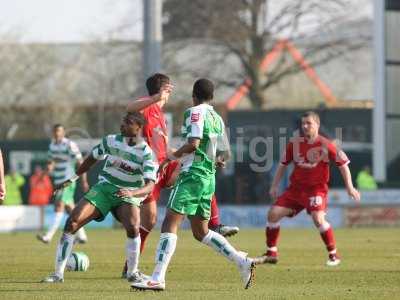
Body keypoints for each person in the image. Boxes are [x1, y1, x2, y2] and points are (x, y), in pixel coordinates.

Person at [131, 79, 255, 291]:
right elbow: (225, 154)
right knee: (201, 232)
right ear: (212, 96)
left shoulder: (195, 112)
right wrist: (212, 160)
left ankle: (158, 277)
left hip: (192, 175)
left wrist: (172, 157)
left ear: (194, 95)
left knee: (170, 222)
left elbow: (193, 143)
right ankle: (241, 261)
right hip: (208, 177)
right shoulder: (217, 117)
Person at [41, 112, 157, 283]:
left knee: (133, 226)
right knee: (72, 222)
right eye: (122, 121)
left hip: (127, 192)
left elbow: (150, 185)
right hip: (104, 188)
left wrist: (132, 193)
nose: (122, 125)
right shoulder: (111, 140)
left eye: (127, 122)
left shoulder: (146, 152)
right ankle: (58, 274)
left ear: (138, 127)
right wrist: (72, 178)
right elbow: (90, 160)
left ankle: (132, 272)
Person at [257, 111, 361, 267]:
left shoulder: (326, 144)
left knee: (318, 219)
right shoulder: (295, 143)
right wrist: (274, 185)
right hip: (295, 190)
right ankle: (271, 252)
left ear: (317, 125)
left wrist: (350, 187)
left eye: (309, 123)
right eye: (303, 123)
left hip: (316, 189)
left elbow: (343, 165)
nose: (305, 126)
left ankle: (334, 255)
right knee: (273, 214)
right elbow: (283, 165)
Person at [37, 124, 89, 244]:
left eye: (59, 131)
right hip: (58, 180)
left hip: (68, 180)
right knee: (71, 209)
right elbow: (51, 163)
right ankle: (82, 236)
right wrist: (45, 173)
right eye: (55, 132)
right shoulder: (52, 146)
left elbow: (81, 162)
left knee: (59, 206)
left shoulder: (69, 144)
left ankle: (48, 236)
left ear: (64, 132)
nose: (57, 134)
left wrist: (84, 181)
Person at [29, 165, 53, 230]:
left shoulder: (46, 178)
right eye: (36, 170)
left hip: (43, 199)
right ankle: (33, 226)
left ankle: (41, 226)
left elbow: (49, 188)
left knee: (41, 214)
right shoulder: (33, 178)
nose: (38, 172)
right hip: (34, 200)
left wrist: (49, 197)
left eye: (39, 170)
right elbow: (33, 186)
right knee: (34, 214)